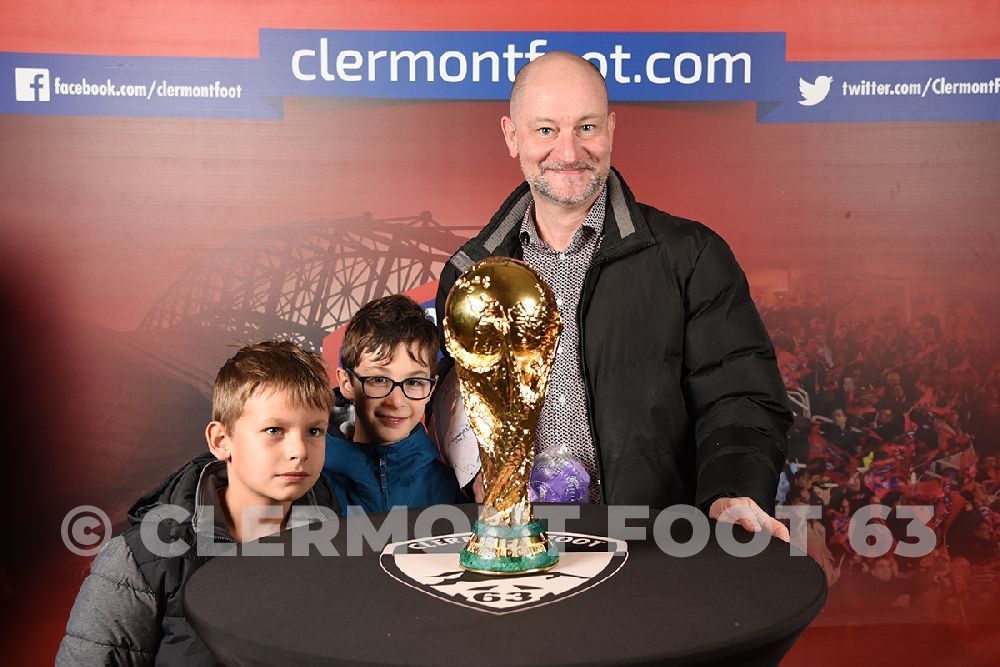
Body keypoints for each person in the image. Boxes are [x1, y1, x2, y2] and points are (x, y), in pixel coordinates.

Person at [434, 51, 792, 540]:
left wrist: (732, 491)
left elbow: (740, 395)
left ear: (611, 129)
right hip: (517, 547)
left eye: (586, 127)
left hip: (654, 546)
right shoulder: (469, 274)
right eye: (545, 130)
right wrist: (475, 471)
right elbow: (449, 397)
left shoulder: (691, 256)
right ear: (511, 136)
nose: (568, 151)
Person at [56, 341, 339, 664]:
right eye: (274, 430)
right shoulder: (141, 559)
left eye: (314, 431)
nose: (299, 451)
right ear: (221, 440)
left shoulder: (343, 543)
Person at [324, 294, 462, 513]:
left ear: (431, 389)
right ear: (347, 383)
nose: (396, 401)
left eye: (414, 382)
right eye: (378, 380)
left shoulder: (452, 489)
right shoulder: (306, 481)